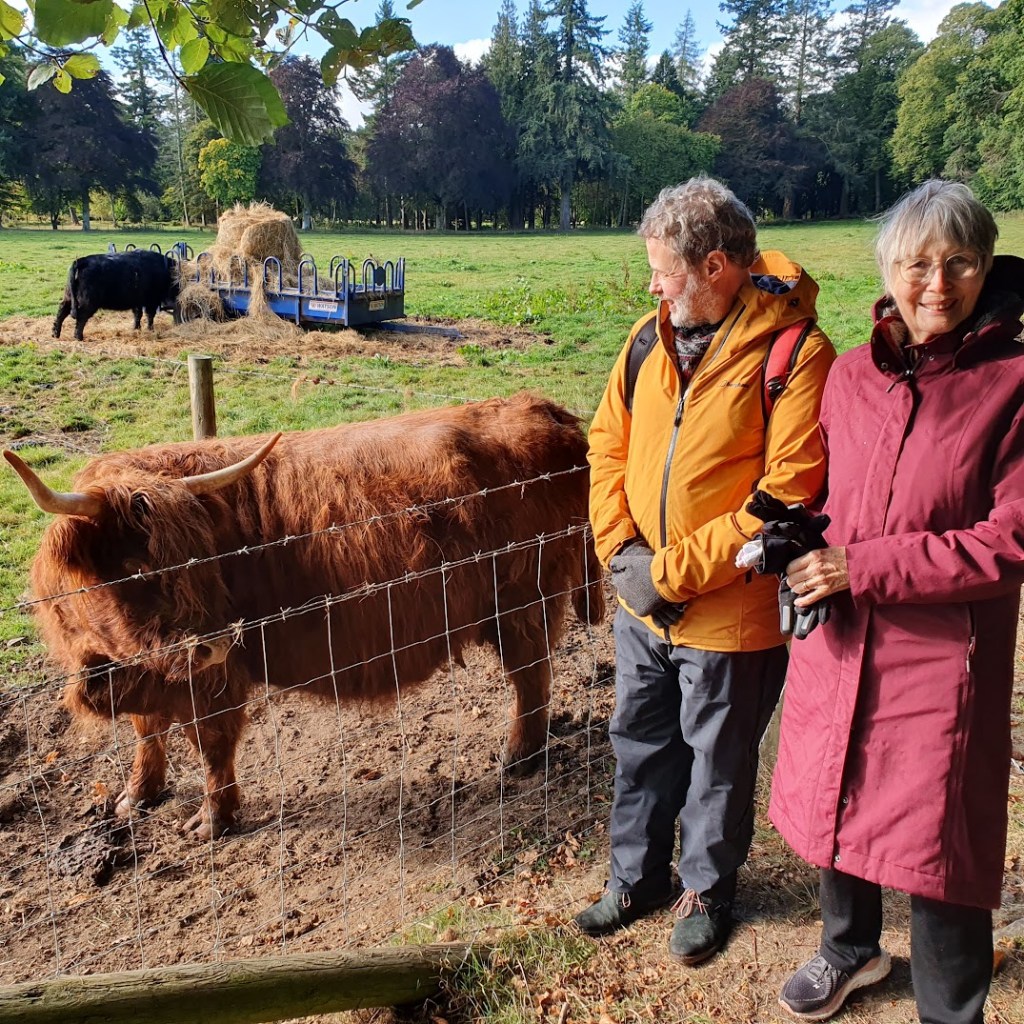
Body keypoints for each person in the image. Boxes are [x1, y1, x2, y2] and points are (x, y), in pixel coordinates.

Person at [771, 179, 1024, 1023]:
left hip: (943, 654)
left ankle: (952, 1010)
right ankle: (850, 949)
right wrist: (796, 541)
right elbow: (832, 500)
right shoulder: (849, 377)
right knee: (833, 790)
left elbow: (1009, 541)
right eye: (918, 262)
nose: (937, 284)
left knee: (937, 842)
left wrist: (861, 568)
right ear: (887, 267)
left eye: (961, 262)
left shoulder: (1014, 384)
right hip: (840, 636)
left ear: (987, 268)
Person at [580, 176, 836, 965]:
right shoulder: (646, 341)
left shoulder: (796, 355)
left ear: (717, 266)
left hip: (732, 614)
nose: (652, 285)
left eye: (663, 270)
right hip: (641, 605)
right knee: (640, 744)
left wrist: (670, 574)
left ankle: (705, 889)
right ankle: (637, 879)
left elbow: (783, 496)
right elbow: (607, 450)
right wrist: (620, 553)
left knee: (718, 765)